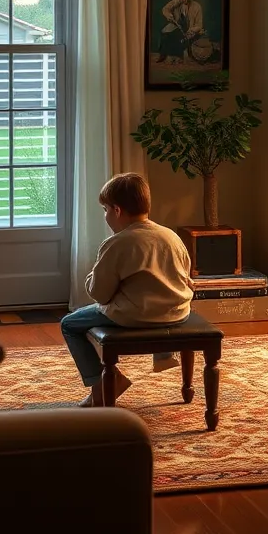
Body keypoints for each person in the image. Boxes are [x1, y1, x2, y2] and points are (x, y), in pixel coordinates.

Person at [60, 172, 193, 407]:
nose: (106, 216)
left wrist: (92, 275)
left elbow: (100, 293)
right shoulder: (171, 236)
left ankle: (102, 384)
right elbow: (184, 277)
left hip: (136, 315)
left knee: (69, 324)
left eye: (105, 210)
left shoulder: (118, 243)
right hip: (177, 312)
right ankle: (164, 357)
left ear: (117, 210)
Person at [157, 0, 204, 64]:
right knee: (164, 32)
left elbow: (199, 25)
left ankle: (182, 56)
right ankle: (163, 54)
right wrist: (170, 15)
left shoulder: (197, 6)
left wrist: (192, 30)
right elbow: (165, 9)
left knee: (184, 40)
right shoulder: (177, 1)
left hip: (190, 30)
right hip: (178, 27)